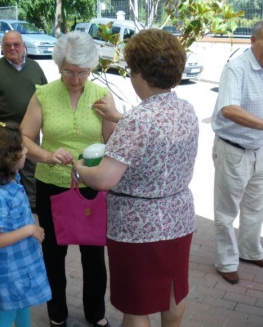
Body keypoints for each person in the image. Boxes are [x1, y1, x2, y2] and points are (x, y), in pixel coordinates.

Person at [72, 29, 199, 327]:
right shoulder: (186, 109)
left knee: (137, 305)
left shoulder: (138, 121)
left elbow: (104, 178)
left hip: (137, 225)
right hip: (178, 217)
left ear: (140, 72)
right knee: (173, 291)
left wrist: (80, 167)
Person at [20, 30, 120, 327]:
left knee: (93, 253)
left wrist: (114, 117)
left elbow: (113, 144)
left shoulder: (102, 96)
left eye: (82, 72)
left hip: (92, 185)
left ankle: (95, 313)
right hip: (52, 184)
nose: (75, 79)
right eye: (68, 71)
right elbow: (24, 136)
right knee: (53, 252)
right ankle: (57, 312)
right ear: (58, 64)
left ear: (91, 67)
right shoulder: (44, 95)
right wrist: (46, 155)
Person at [211, 20, 263, 285]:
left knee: (257, 206)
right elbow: (229, 109)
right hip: (233, 150)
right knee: (227, 211)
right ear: (253, 40)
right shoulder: (237, 68)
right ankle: (226, 262)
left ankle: (249, 250)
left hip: (259, 149)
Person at [0, 121, 51, 327]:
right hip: (9, 271)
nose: (26, 150)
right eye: (21, 148)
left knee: (23, 305)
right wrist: (29, 229)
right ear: (7, 159)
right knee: (7, 315)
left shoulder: (12, 181)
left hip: (20, 264)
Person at [0, 30, 48, 211]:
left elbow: (46, 95)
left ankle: (31, 207)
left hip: (31, 130)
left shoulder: (35, 67)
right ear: (2, 48)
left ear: (23, 46)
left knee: (30, 169)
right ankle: (7, 207)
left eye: (16, 44)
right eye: (7, 45)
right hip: (4, 133)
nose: (12, 48)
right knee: (5, 170)